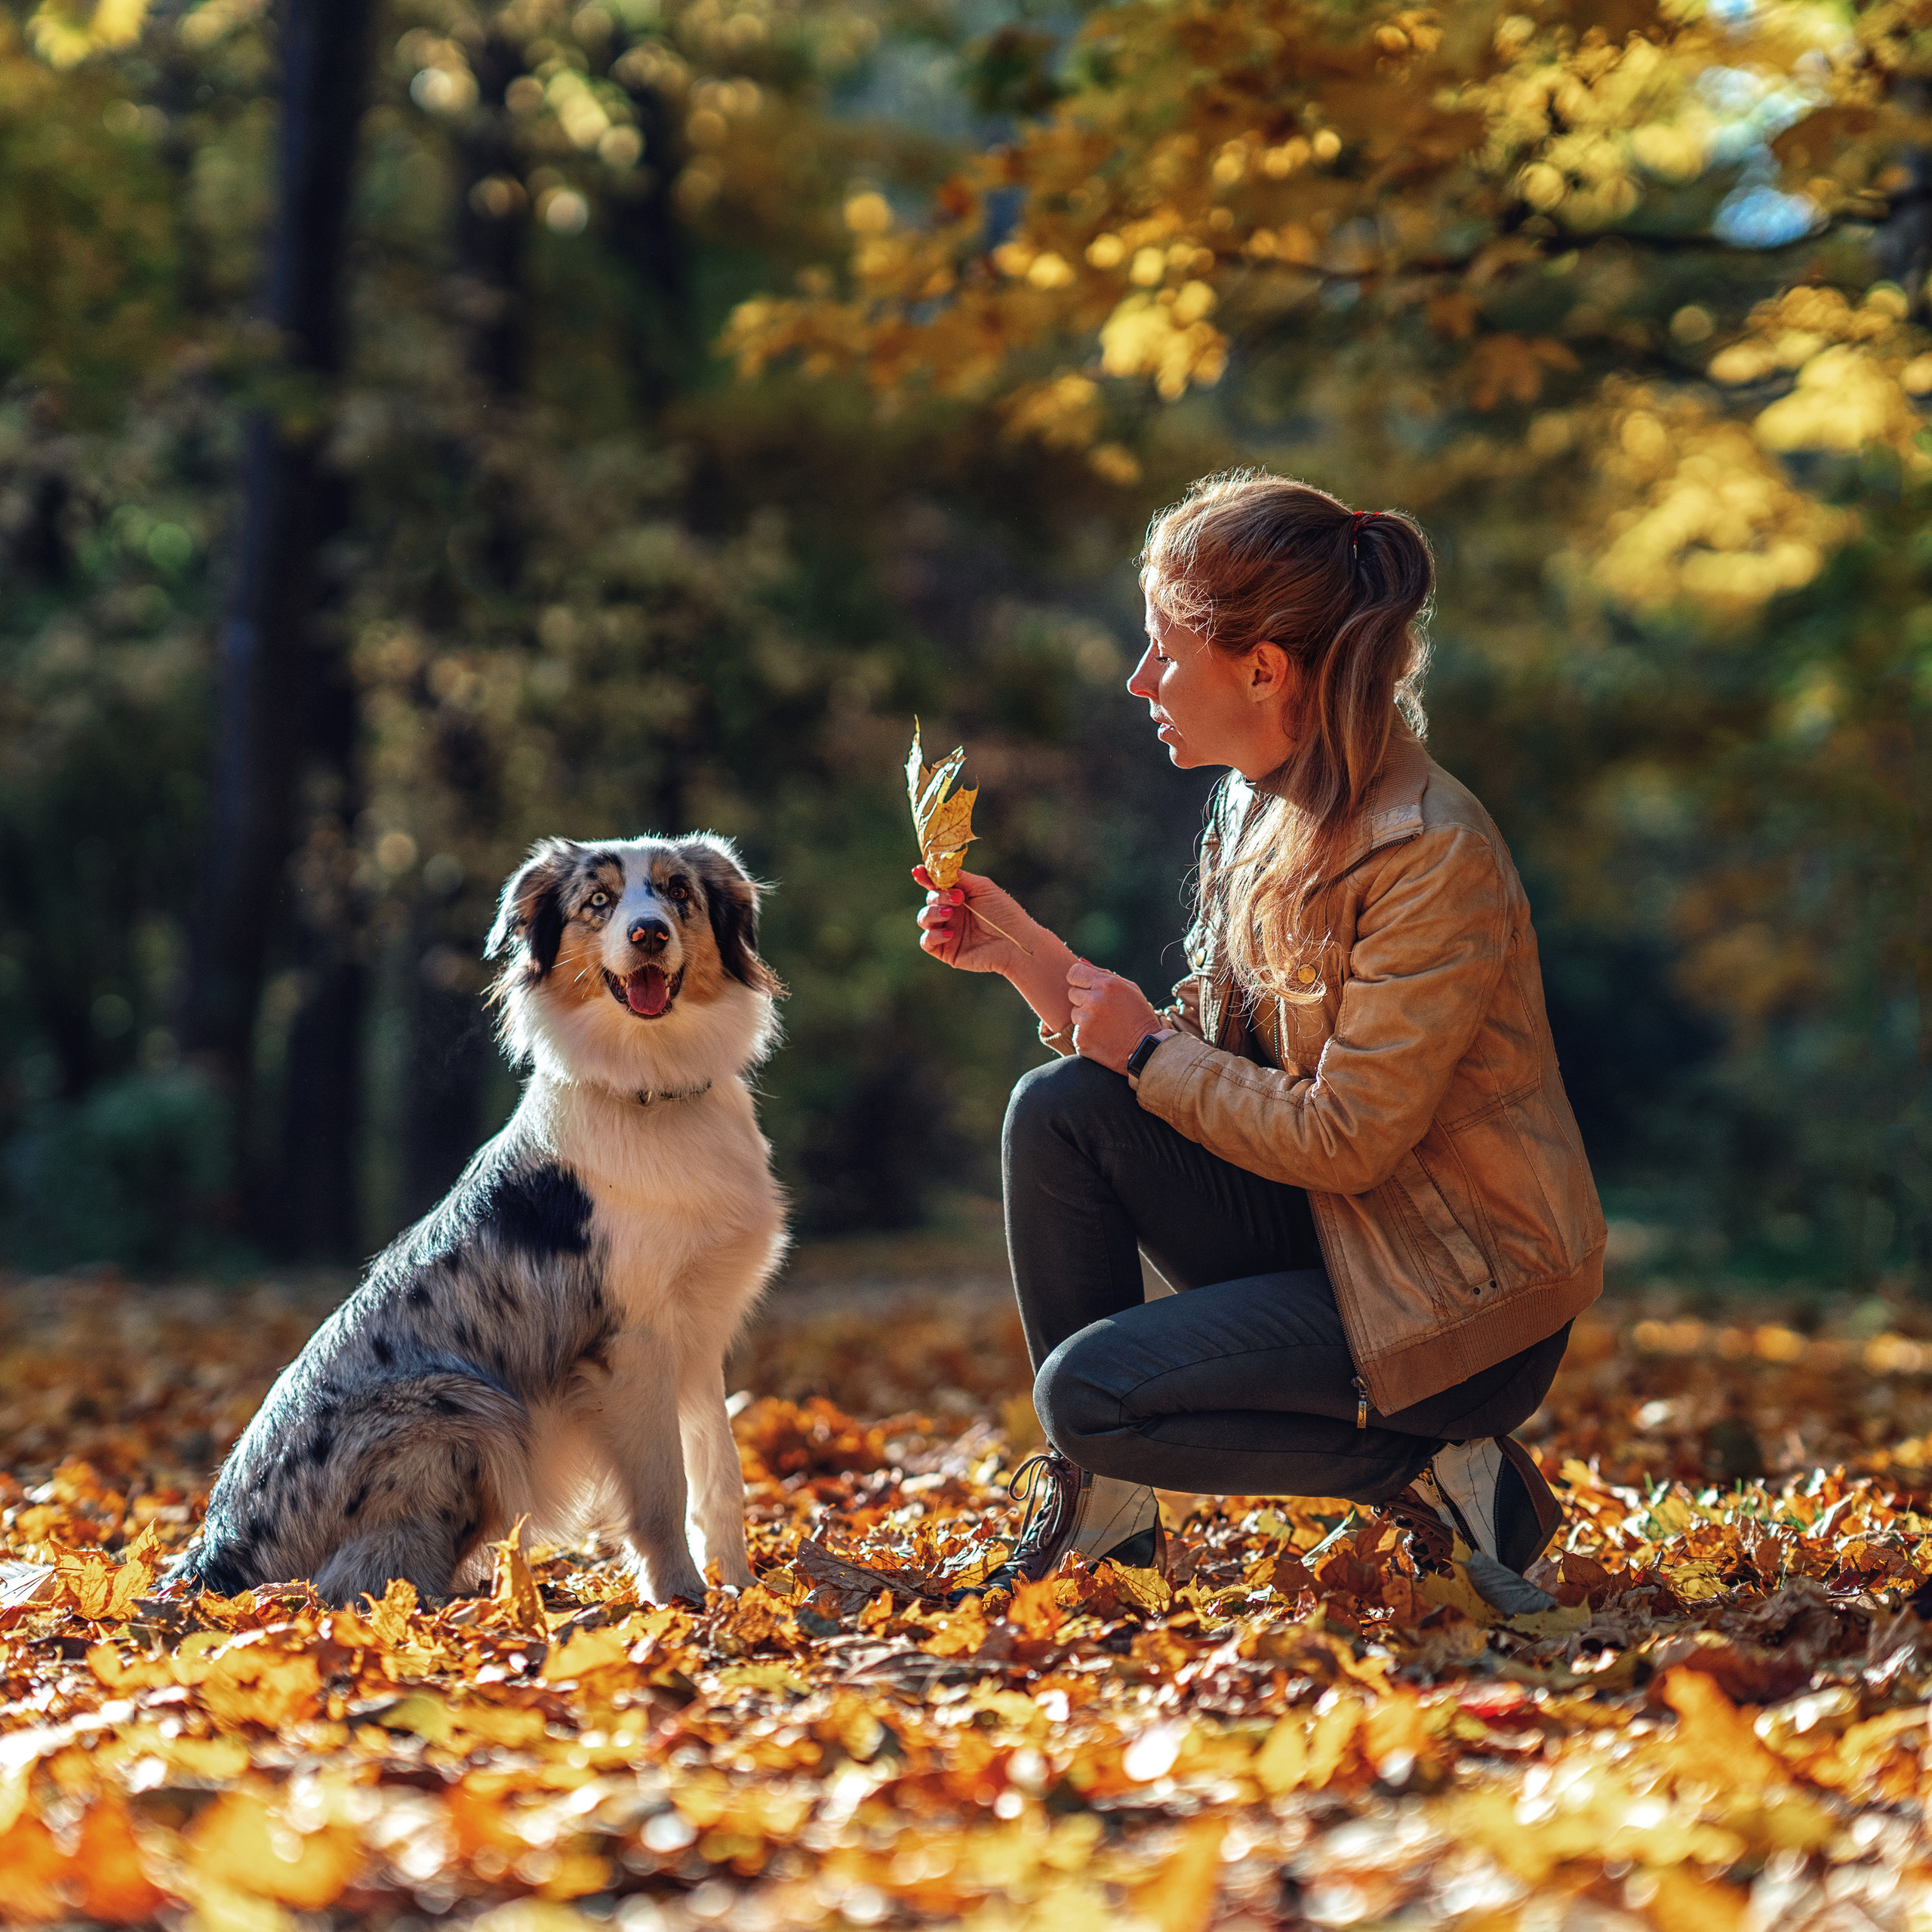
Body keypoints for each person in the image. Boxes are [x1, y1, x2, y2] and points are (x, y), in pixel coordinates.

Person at [913, 470, 1604, 1606]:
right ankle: (1106, 1520)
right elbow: (1212, 1049)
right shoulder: (1266, 803)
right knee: (1059, 1110)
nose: (1139, 680)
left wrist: (1141, 1051)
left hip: (1458, 1305)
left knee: (1090, 1394)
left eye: (1163, 651)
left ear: (1264, 669)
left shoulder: (1433, 855)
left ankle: (1443, 1472)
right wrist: (1032, 957)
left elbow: (1344, 1137)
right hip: (1340, 1237)